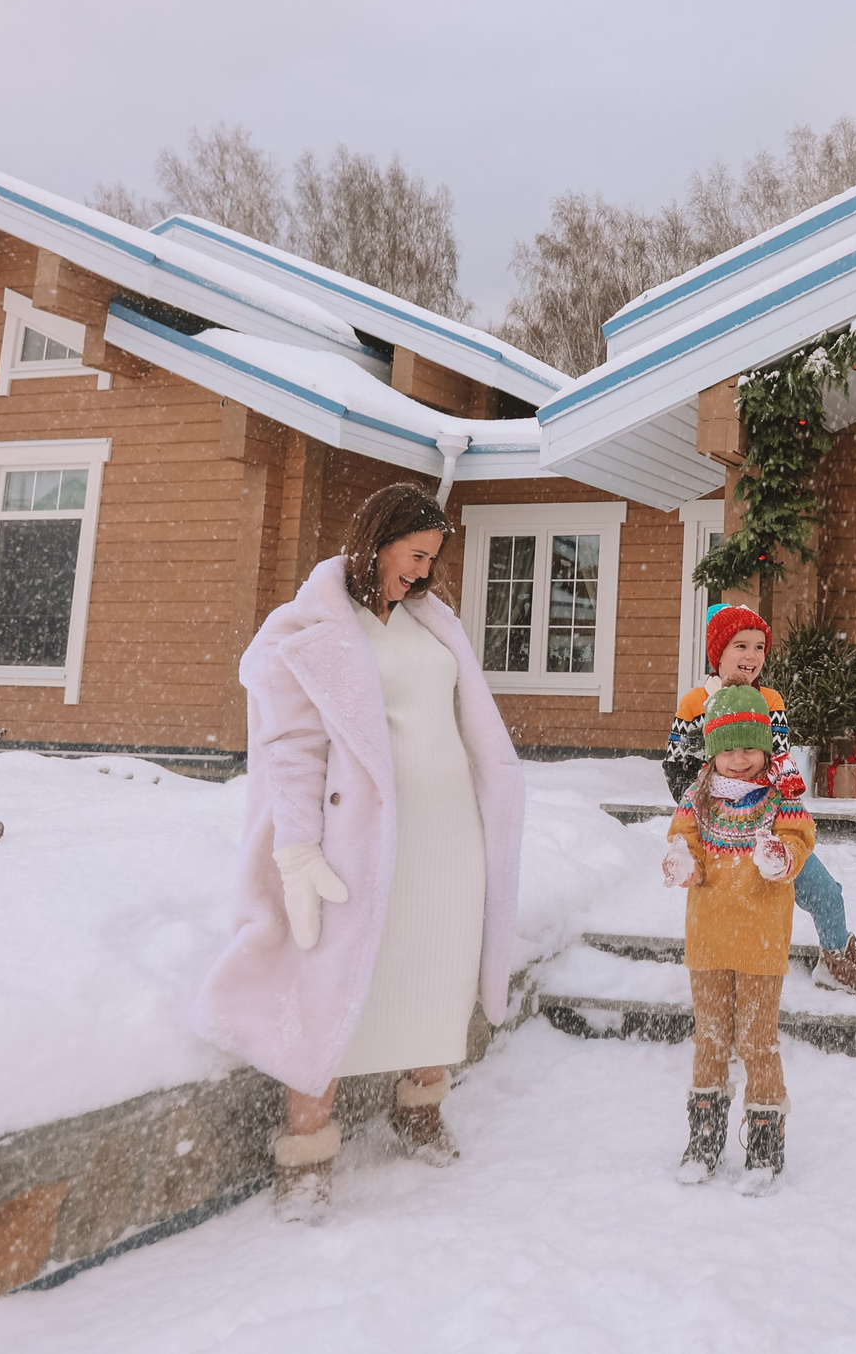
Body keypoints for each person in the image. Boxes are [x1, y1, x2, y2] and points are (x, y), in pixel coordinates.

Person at [192, 483, 527, 1223]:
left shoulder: (432, 624)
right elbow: (292, 746)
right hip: (364, 839)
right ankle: (307, 1154)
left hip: (448, 836)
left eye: (432, 561)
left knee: (437, 970)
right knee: (334, 982)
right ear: (377, 542)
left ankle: (420, 1107)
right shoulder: (312, 628)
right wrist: (299, 847)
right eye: (414, 556)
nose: (422, 573)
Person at [665, 603, 856, 997]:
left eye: (759, 647)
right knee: (726, 912)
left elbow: (779, 768)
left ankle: (836, 959)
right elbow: (678, 768)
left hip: (768, 832)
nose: (751, 656)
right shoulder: (693, 705)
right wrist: (704, 812)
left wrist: (779, 837)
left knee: (825, 892)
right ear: (717, 652)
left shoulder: (770, 701)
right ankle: (727, 978)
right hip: (718, 838)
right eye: (740, 646)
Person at [663, 685, 814, 1194]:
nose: (739, 758)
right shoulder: (697, 796)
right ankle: (704, 1141)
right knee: (710, 1038)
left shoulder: (780, 800)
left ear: (765, 749)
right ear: (713, 751)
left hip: (760, 940)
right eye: (728, 748)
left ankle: (765, 1148)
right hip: (707, 936)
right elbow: (683, 839)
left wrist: (782, 858)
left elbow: (799, 839)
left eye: (749, 747)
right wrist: (683, 861)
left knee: (756, 1041)